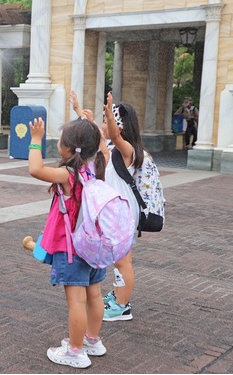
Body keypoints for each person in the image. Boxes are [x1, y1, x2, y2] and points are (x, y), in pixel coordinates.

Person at [28, 108, 109, 369]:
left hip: (72, 247)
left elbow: (35, 169)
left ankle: (75, 352)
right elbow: (103, 147)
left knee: (76, 300)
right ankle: (92, 341)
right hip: (94, 245)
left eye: (61, 140)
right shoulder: (95, 168)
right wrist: (91, 123)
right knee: (94, 295)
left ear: (68, 148)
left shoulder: (68, 175)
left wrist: (35, 138)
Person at [100, 92, 144, 321]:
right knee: (118, 258)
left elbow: (114, 137)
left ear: (120, 127)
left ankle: (122, 305)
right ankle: (118, 295)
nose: (103, 125)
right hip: (115, 212)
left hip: (123, 214)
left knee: (123, 260)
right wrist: (81, 113)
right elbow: (102, 139)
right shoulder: (113, 150)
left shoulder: (128, 150)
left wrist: (109, 114)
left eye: (106, 121)